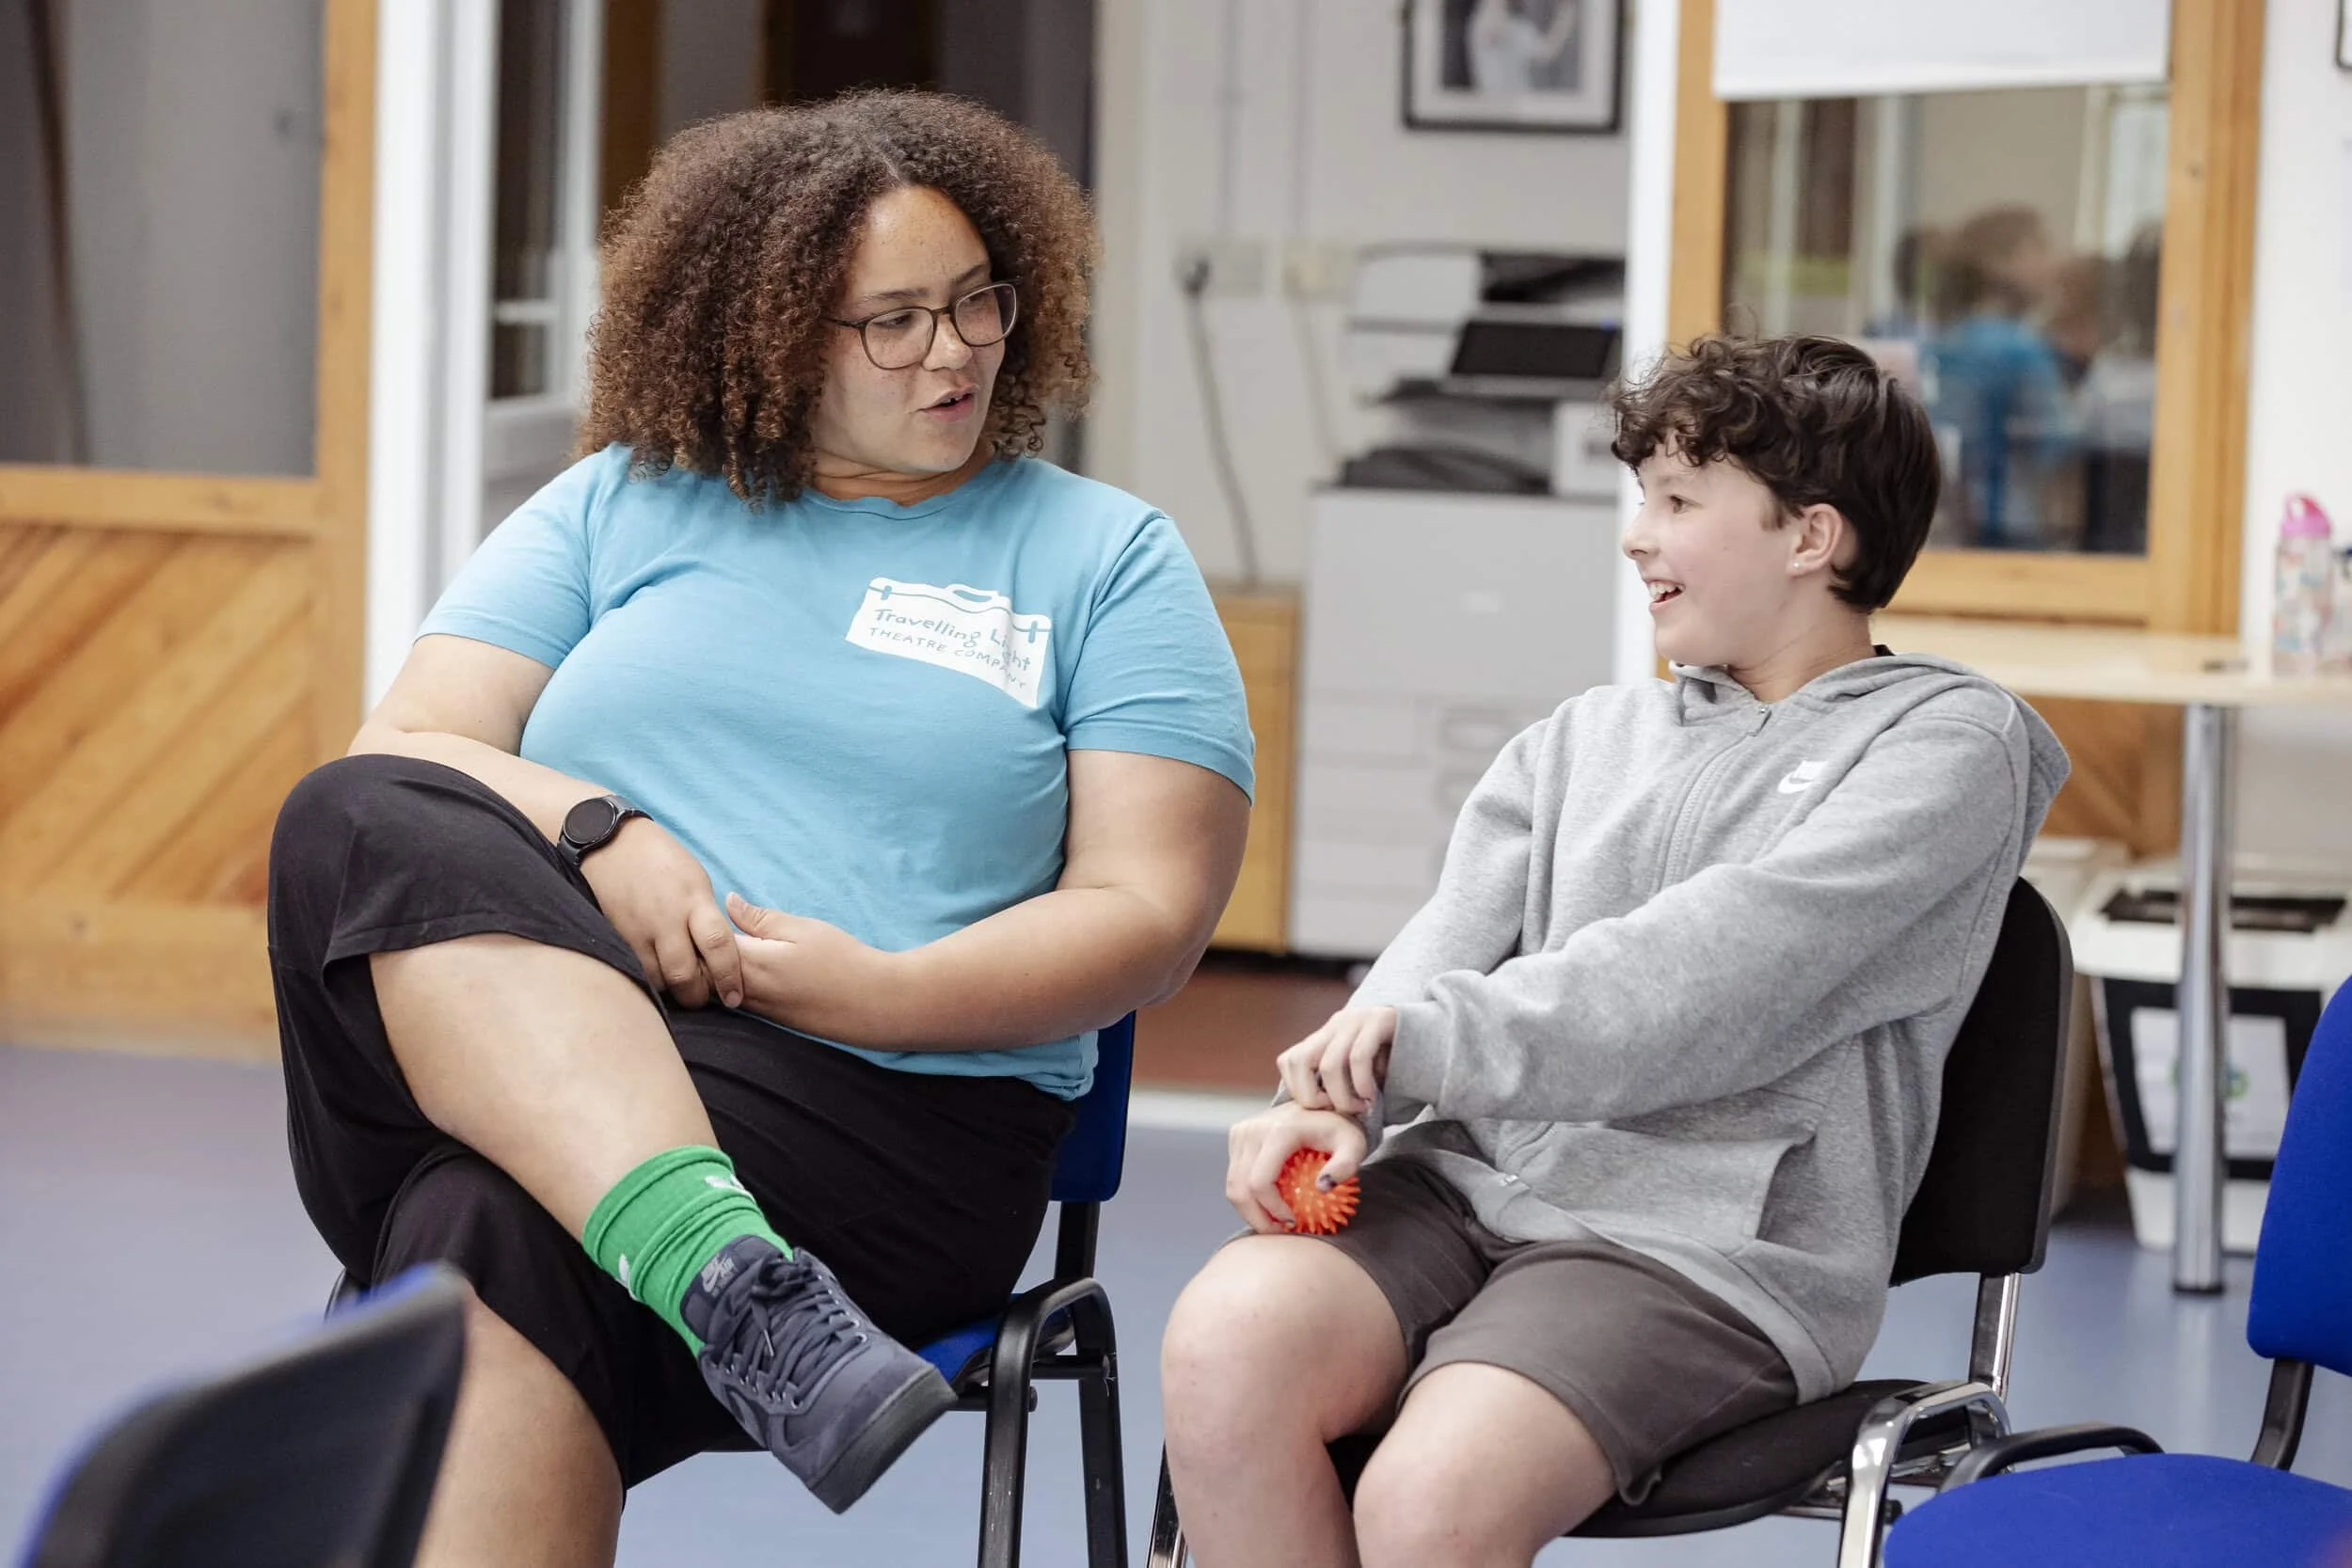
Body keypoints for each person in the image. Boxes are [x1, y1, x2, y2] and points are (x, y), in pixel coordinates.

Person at [267, 92, 1252, 1566]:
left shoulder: (1102, 556)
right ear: (776, 330)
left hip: (892, 1111)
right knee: (349, 813)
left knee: (484, 1222)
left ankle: (720, 1265)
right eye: (895, 319)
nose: (958, 349)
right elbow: (409, 750)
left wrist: (881, 988)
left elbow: (1149, 911)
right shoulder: (620, 501)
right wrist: (606, 831)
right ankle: (732, 1279)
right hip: (573, 1031)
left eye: (981, 300)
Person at [1159, 334, 2068, 1568]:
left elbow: (1718, 972)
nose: (1637, 534)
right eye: (1642, 495)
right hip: (1471, 1188)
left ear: (1812, 537)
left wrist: (1430, 1038)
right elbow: (1435, 951)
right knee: (1224, 1348)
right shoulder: (1581, 737)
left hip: (1706, 1247)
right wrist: (1330, 1095)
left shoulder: (1950, 749)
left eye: (1679, 500)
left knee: (1433, 1497)